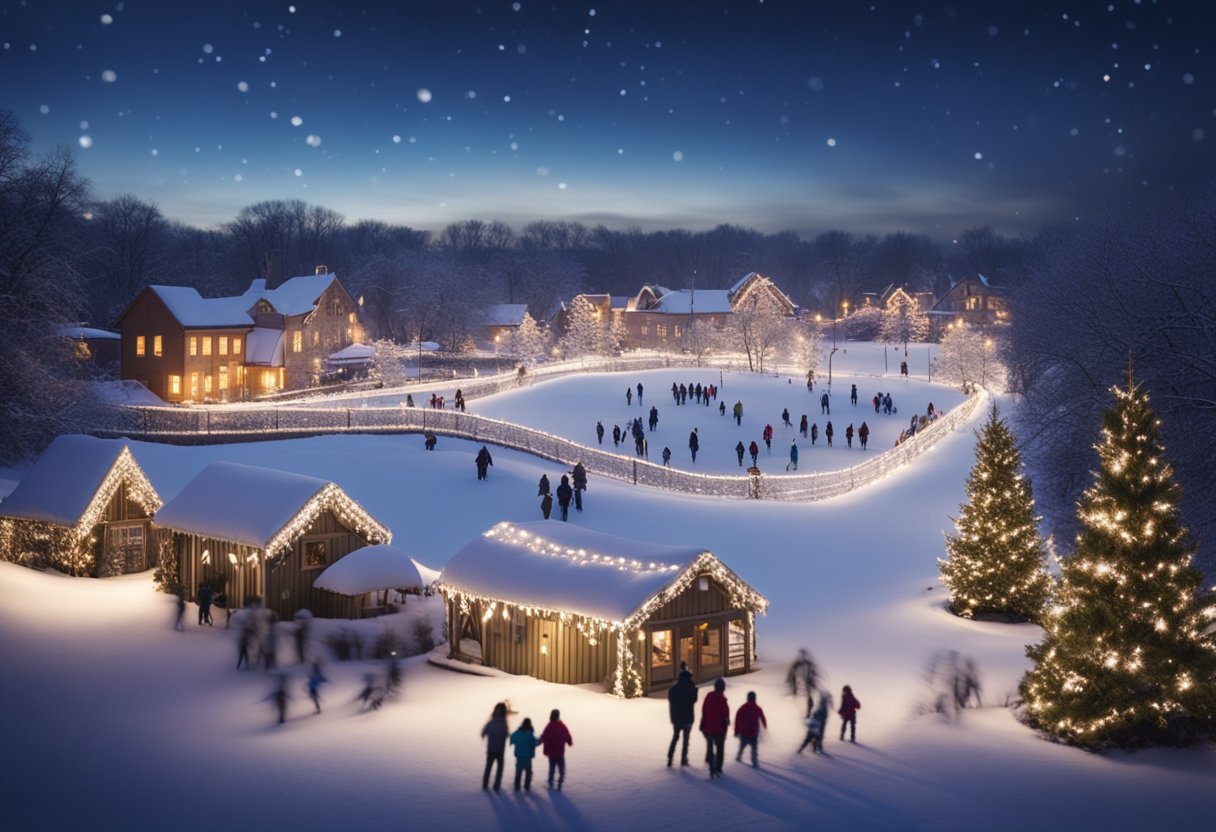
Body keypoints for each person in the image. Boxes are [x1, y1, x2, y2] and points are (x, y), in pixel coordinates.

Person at [667, 663, 698, 766]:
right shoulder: (691, 689)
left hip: (677, 718)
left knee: (675, 737)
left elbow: (671, 698)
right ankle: (683, 759)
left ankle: (670, 757)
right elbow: (694, 700)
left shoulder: (674, 689)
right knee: (686, 740)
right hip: (688, 718)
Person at [700, 678, 730, 779]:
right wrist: (726, 728)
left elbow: (704, 710)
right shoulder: (723, 701)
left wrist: (703, 723)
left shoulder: (709, 696)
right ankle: (718, 767)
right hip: (719, 729)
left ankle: (711, 765)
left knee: (710, 747)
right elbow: (726, 717)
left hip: (708, 728)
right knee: (720, 749)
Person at [540, 708, 573, 790]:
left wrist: (538, 742)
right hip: (559, 753)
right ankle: (559, 782)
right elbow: (567, 735)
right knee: (561, 769)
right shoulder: (562, 726)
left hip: (551, 753)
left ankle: (551, 781)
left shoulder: (549, 726)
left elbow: (544, 736)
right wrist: (569, 742)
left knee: (552, 768)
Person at [734, 691, 767, 768]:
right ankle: (754, 763)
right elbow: (763, 718)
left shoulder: (742, 708)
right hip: (753, 733)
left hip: (744, 733)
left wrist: (736, 731)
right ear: (755, 699)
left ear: (747, 698)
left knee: (742, 747)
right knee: (754, 750)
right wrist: (765, 726)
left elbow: (737, 720)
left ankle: (739, 757)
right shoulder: (757, 708)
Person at [482, 702, 510, 791]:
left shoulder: (492, 721)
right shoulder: (503, 722)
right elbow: (506, 734)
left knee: (490, 767)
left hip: (493, 749)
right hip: (499, 750)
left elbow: (484, 732)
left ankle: (486, 784)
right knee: (498, 768)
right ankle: (495, 785)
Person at [510, 717, 540, 792]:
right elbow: (535, 743)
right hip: (527, 757)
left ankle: (517, 786)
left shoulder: (518, 732)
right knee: (528, 772)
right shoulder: (530, 734)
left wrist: (513, 742)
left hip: (519, 757)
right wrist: (540, 740)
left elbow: (512, 738)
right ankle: (526, 786)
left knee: (518, 772)